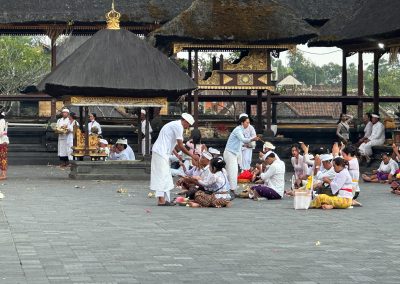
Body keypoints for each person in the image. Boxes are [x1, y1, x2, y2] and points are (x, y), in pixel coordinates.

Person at [150, 113, 199, 206]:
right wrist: (192, 156)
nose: (187, 127)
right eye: (188, 125)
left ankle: (162, 199)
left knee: (165, 175)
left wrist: (177, 155)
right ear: (185, 121)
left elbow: (170, 142)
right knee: (162, 176)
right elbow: (180, 145)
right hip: (161, 152)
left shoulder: (174, 124)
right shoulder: (178, 126)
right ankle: (161, 200)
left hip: (161, 152)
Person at [223, 116, 260, 196]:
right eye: (247, 122)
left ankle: (230, 189)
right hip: (230, 153)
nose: (248, 124)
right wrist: (252, 139)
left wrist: (250, 144)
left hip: (235, 153)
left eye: (249, 122)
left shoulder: (242, 130)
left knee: (232, 171)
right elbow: (243, 139)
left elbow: (241, 143)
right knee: (232, 171)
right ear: (242, 122)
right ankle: (231, 190)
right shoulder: (238, 130)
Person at [0, 112, 9, 180]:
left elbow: (1, 133)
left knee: (2, 158)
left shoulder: (1, 121)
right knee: (3, 158)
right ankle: (3, 174)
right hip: (3, 141)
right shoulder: (2, 121)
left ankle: (3, 174)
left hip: (2, 141)